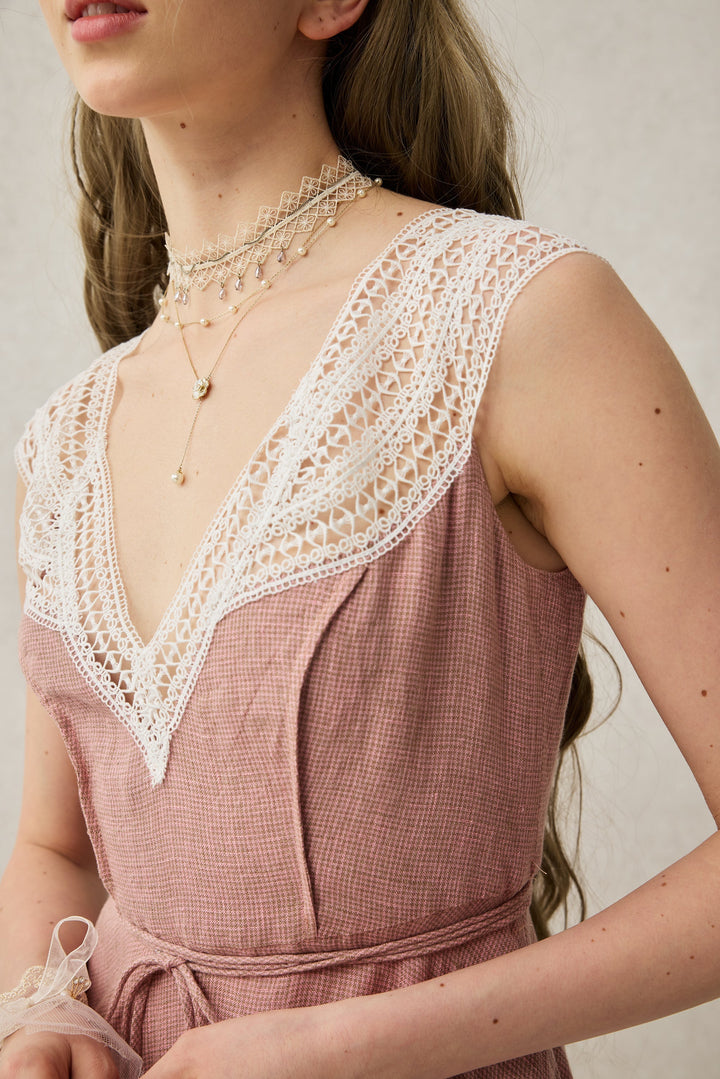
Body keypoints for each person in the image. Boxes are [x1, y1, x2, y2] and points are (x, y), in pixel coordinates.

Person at [0, 0, 718, 1076]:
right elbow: (56, 848)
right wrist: (40, 1012)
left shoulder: (520, 319)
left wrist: (347, 1042)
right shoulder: (63, 439)